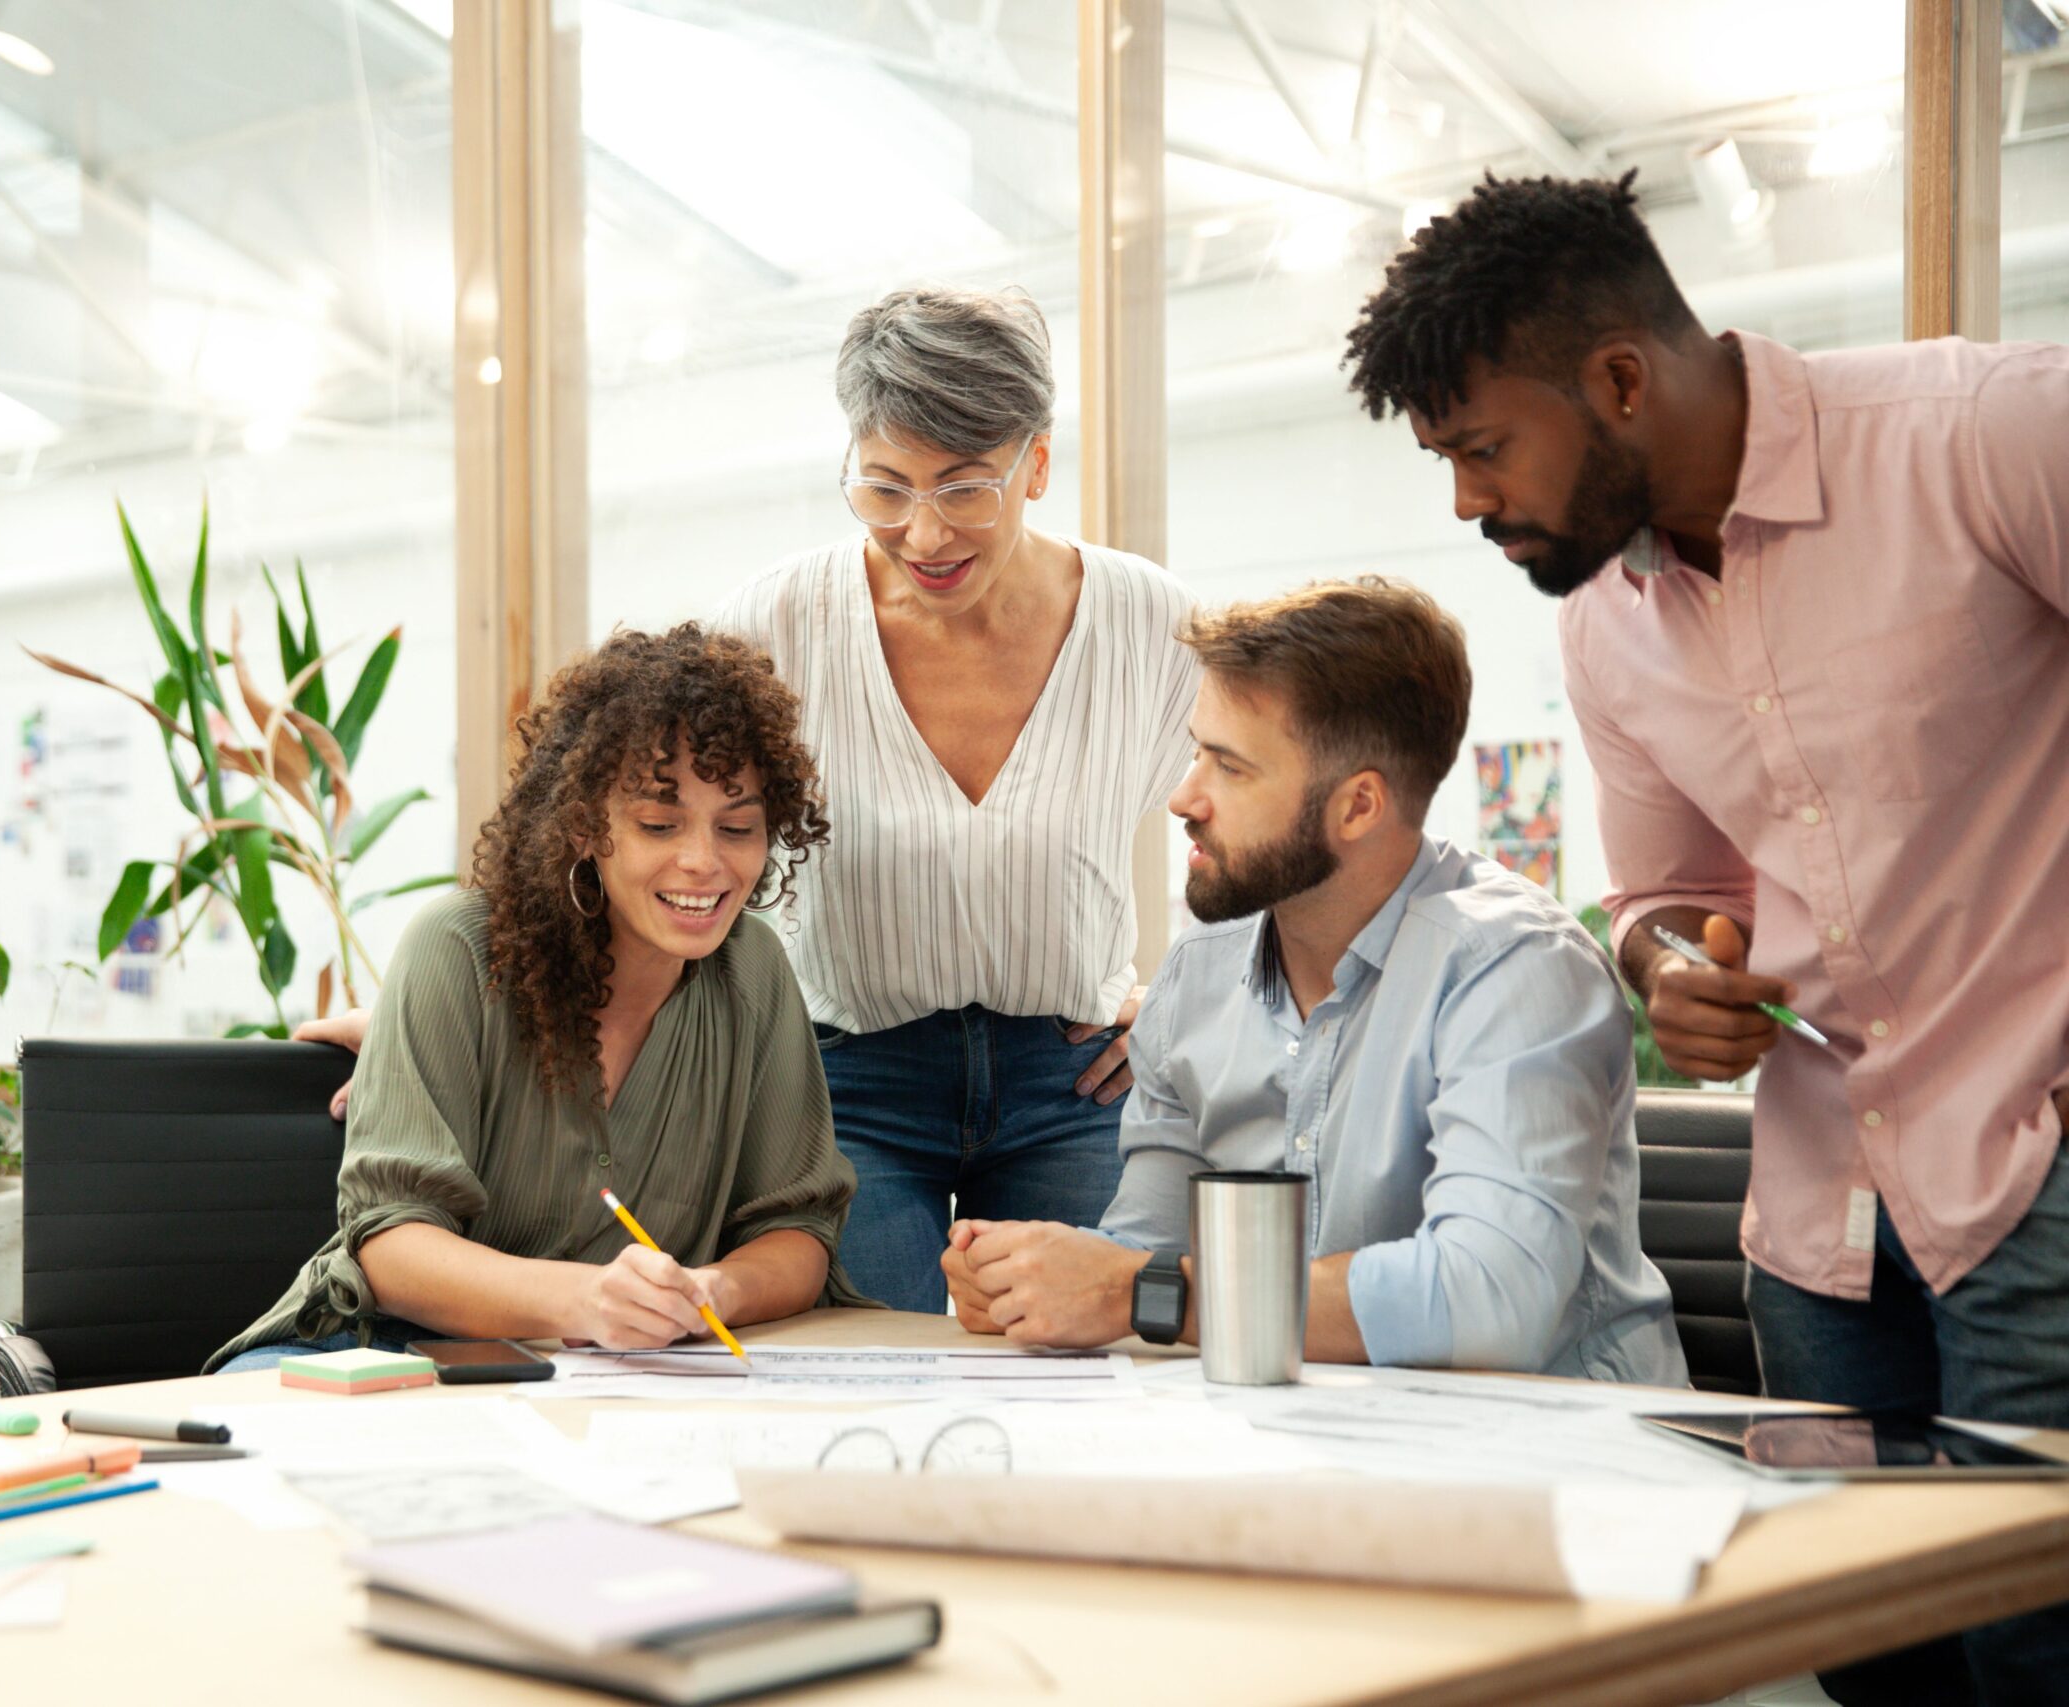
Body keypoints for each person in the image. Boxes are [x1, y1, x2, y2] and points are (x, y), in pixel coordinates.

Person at [1343, 170, 2069, 1705]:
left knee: (2041, 1648)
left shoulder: (1992, 434)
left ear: (1618, 379)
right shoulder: (1602, 621)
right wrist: (1674, 969)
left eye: (1482, 448)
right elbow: (1664, 895)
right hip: (1817, 1232)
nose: (1466, 502)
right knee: (1861, 1651)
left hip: (2040, 1175)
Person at [941, 578, 1685, 1388]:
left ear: (1358, 805)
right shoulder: (1200, 974)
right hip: (1326, 1446)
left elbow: (1493, 1296)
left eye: (1228, 767)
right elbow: (1143, 1254)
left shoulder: (1517, 969)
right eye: (1197, 752)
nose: (1184, 797)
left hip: (1565, 1459)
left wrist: (1132, 1290)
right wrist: (1034, 1282)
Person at [712, 285, 1200, 1313]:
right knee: (882, 1385)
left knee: (1086, 1381)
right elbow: (650, 843)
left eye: (964, 487)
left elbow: (1262, 828)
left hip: (1070, 1082)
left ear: (1036, 462)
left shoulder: (1147, 622)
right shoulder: (779, 623)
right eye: (883, 487)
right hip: (850, 1082)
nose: (924, 534)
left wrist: (1189, 1005)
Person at [206, 624, 860, 1374]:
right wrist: (585, 1301)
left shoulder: (754, 969)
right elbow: (391, 1246)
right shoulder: (457, 949)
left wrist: (710, 1290)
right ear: (585, 823)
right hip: (378, 1354)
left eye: (738, 826)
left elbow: (799, 1231)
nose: (704, 862)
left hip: (611, 1379)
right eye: (658, 823)